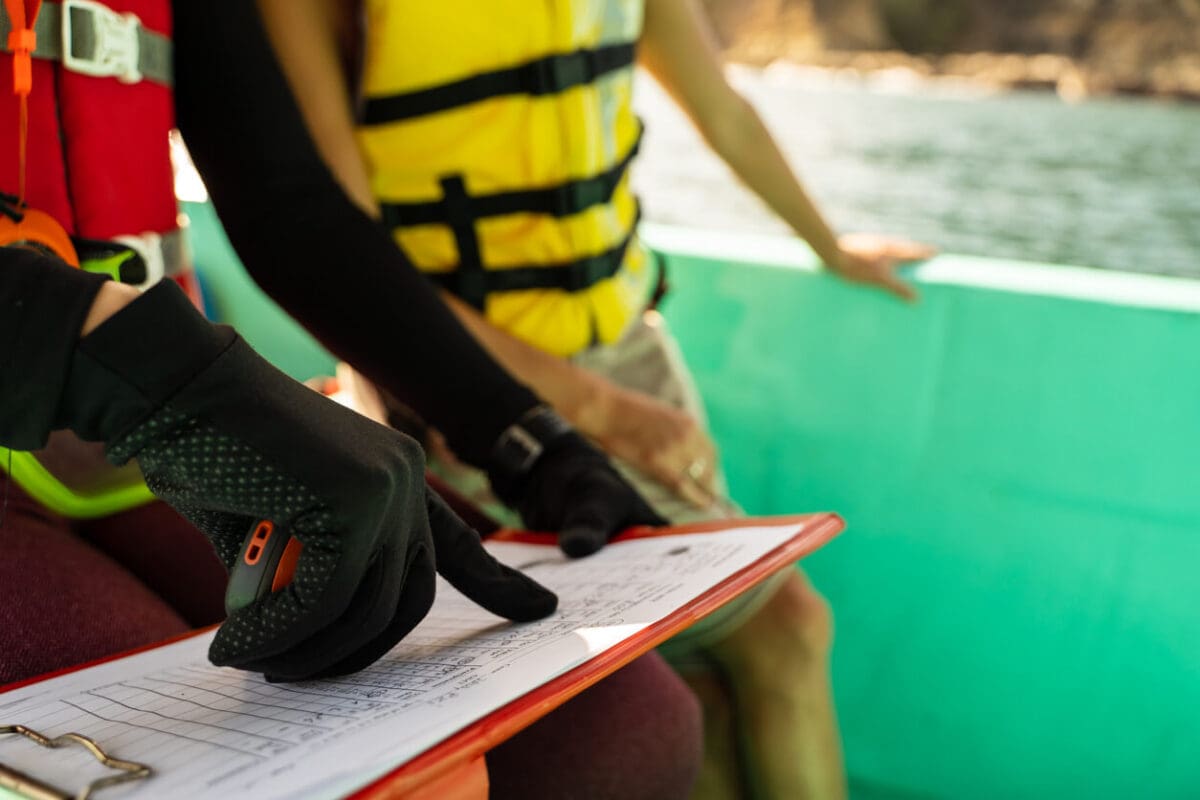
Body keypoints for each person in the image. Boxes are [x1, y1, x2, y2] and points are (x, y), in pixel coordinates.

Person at [0, 1, 705, 795]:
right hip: (113, 416)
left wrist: (525, 439)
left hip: (143, 443)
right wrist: (136, 364)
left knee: (626, 732)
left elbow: (288, 202)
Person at [255, 0, 936, 796]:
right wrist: (599, 413)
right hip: (467, 387)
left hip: (629, 351)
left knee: (713, 676)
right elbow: (335, 239)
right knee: (784, 632)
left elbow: (725, 112)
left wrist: (829, 245)